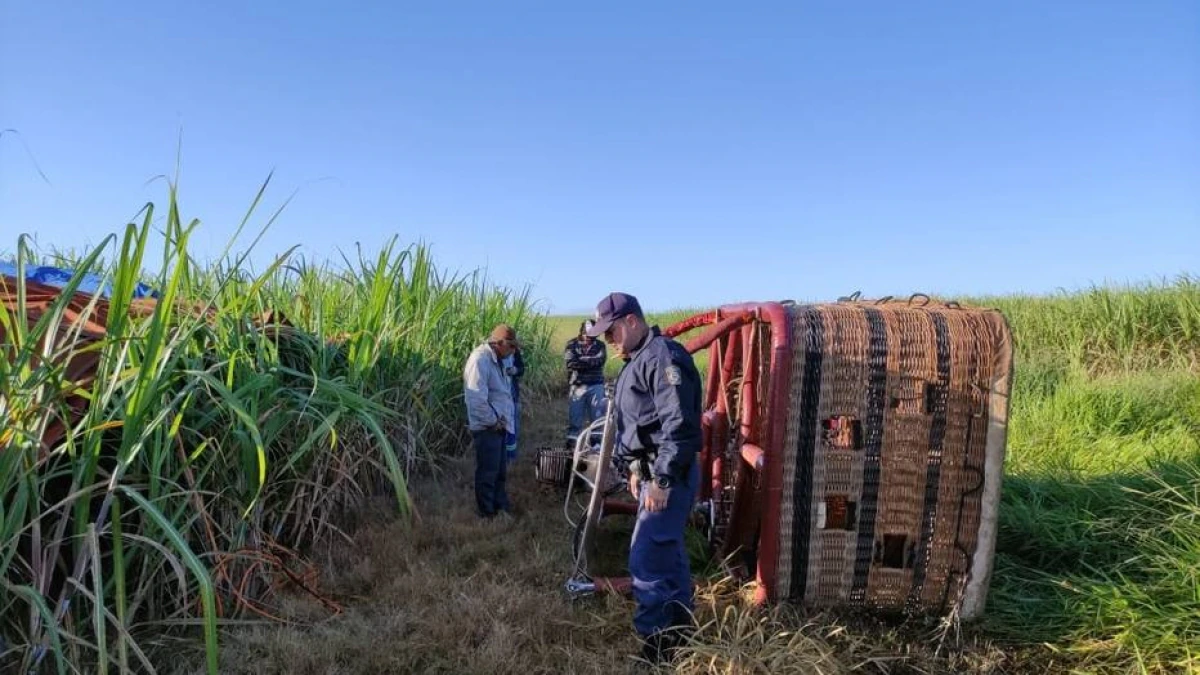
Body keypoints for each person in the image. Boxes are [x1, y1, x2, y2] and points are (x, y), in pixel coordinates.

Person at [585, 292, 702, 664]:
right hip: (652, 470)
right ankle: (681, 628)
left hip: (669, 473)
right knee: (667, 551)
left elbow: (679, 426)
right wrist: (637, 470)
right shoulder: (638, 359)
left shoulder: (663, 358)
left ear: (632, 321)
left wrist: (662, 480)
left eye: (613, 332)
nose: (610, 342)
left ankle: (657, 648)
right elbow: (641, 424)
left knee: (646, 558)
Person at [462, 324, 519, 519]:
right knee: (487, 473)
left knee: (499, 472)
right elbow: (475, 400)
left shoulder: (499, 358)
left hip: (499, 424)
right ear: (500, 343)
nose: (514, 351)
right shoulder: (480, 360)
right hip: (488, 427)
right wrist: (494, 421)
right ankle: (487, 514)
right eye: (511, 347)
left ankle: (500, 507)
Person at [563, 319, 607, 446]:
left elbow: (600, 361)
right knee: (575, 420)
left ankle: (597, 446)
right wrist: (591, 361)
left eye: (592, 335)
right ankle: (572, 447)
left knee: (597, 420)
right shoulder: (571, 344)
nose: (588, 338)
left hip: (596, 385)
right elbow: (571, 363)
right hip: (577, 387)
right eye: (586, 334)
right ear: (581, 333)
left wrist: (581, 360)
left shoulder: (600, 345)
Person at [503, 345, 525, 459]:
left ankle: (511, 458)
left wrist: (516, 370)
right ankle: (504, 457)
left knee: (513, 427)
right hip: (500, 400)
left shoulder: (514, 351)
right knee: (502, 429)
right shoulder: (493, 356)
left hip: (513, 396)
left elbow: (521, 368)